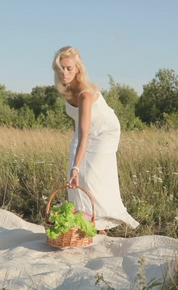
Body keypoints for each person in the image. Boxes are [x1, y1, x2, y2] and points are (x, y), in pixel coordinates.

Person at [52, 46, 139, 232]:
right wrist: (74, 166)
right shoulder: (67, 92)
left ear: (78, 69)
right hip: (85, 129)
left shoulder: (85, 94)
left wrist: (77, 166)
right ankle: (83, 223)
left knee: (90, 177)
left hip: (104, 131)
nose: (64, 73)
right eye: (60, 69)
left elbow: (86, 134)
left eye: (68, 68)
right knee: (73, 177)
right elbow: (78, 126)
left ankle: (102, 227)